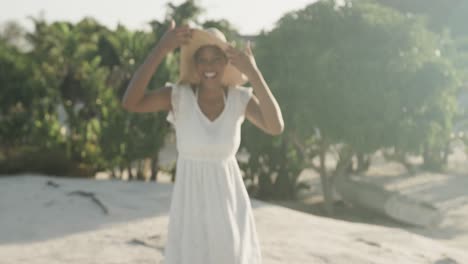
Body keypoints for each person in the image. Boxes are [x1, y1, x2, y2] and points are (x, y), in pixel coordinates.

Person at [122, 20, 284, 264]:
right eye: (203, 59)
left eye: (216, 58)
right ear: (195, 65)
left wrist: (253, 73)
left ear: (225, 62)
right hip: (190, 209)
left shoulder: (239, 99)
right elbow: (131, 102)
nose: (209, 66)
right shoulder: (178, 97)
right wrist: (161, 49)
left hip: (229, 209)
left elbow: (275, 126)